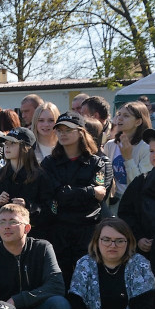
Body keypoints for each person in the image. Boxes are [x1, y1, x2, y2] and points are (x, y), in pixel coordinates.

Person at [41, 112, 113, 286]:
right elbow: (51, 194)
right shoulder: (48, 163)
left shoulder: (98, 162)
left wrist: (66, 193)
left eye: (68, 129)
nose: (63, 134)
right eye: (59, 130)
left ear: (81, 132)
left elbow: (100, 195)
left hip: (88, 231)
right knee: (61, 282)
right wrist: (89, 192)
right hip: (58, 230)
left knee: (89, 282)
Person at [0, 128, 52, 247]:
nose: (7, 147)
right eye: (6, 144)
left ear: (26, 148)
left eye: (12, 143)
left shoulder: (41, 177)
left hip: (32, 241)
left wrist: (29, 206)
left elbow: (52, 209)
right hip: (0, 242)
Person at [105, 101, 153, 207]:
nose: (119, 119)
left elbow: (139, 184)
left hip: (136, 203)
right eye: (119, 114)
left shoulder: (147, 148)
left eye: (126, 116)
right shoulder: (110, 145)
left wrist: (128, 158)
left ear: (138, 122)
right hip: (114, 202)